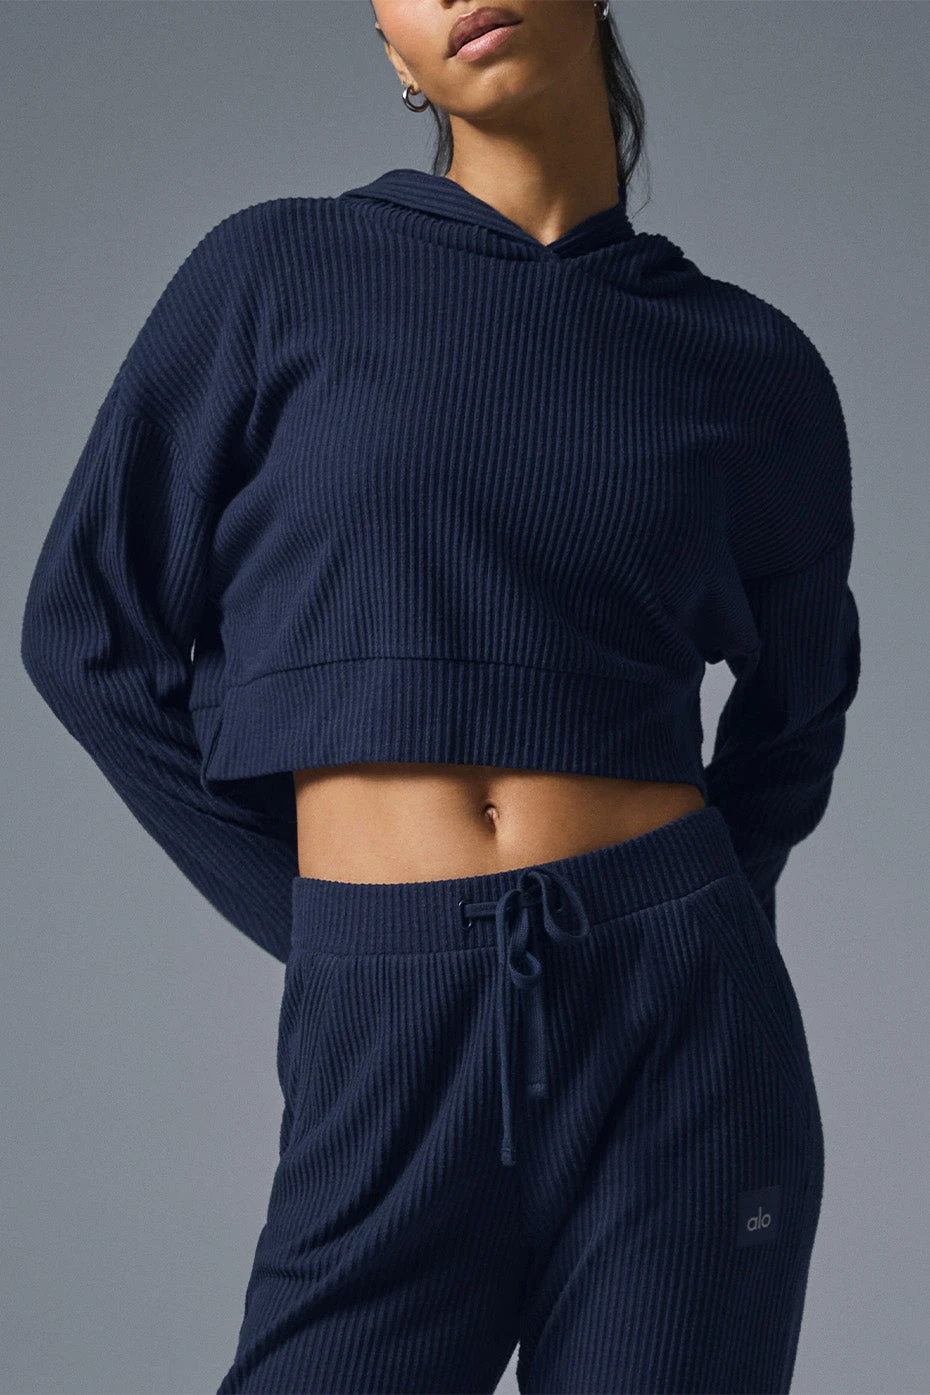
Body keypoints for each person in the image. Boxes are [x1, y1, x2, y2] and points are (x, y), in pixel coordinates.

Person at [20, 1, 861, 1391]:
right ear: (390, 51)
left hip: (684, 1038)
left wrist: (679, 927)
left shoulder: (748, 363)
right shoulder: (277, 274)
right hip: (386, 1011)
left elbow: (798, 713)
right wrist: (332, 922)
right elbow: (84, 631)